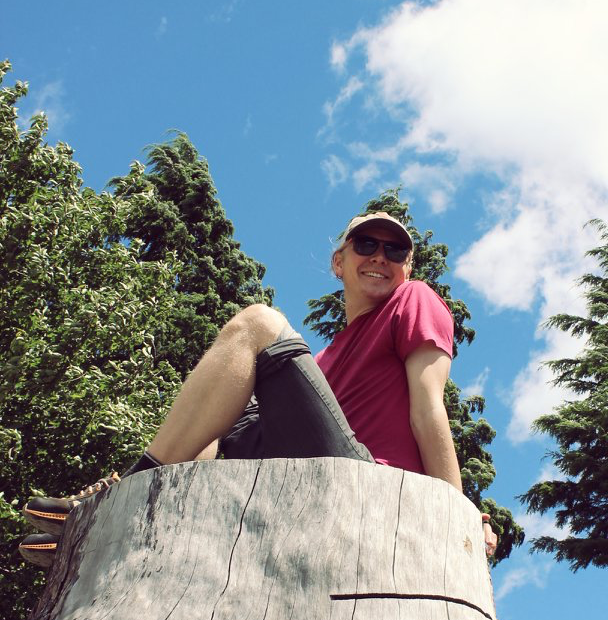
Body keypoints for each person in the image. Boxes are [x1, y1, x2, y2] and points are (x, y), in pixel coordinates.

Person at [20, 211, 498, 566]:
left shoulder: (414, 300)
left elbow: (428, 409)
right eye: (366, 244)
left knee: (259, 322)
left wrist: (457, 512)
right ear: (339, 261)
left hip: (366, 486)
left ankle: (118, 497)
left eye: (394, 251)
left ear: (407, 268)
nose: (379, 257)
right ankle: (132, 523)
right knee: (211, 423)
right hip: (300, 479)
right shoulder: (326, 361)